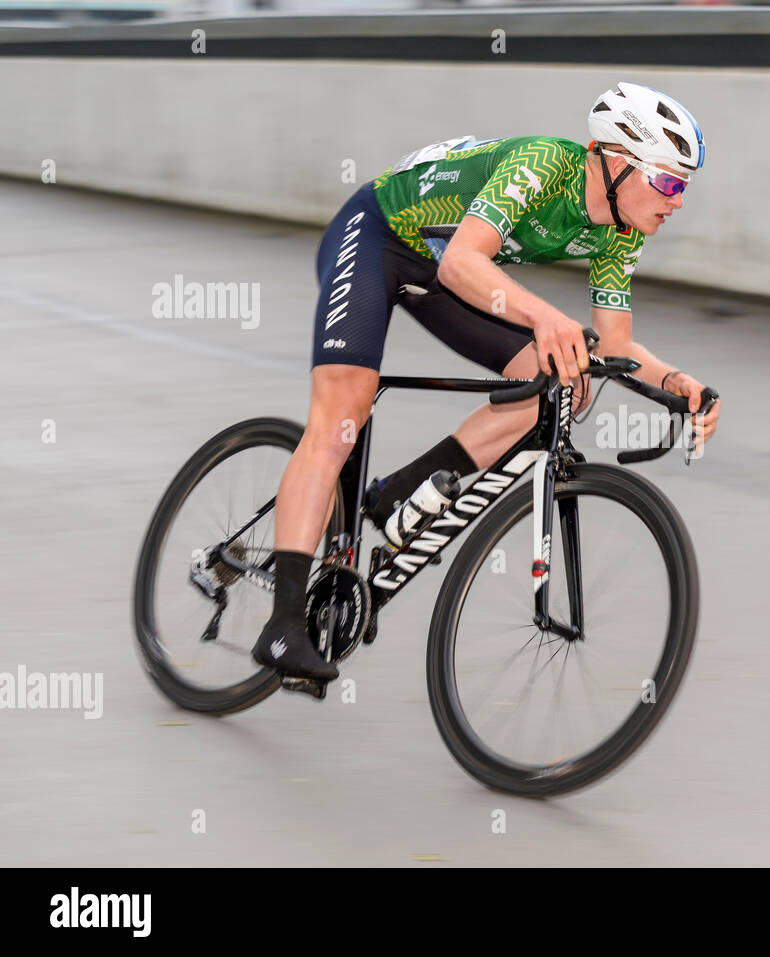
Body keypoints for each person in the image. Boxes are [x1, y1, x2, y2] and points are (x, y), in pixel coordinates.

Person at [252, 81, 723, 680]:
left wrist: (678, 382)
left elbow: (619, 342)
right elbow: (462, 261)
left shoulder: (619, 230)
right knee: (343, 415)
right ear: (614, 162)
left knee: (562, 382)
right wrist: (547, 317)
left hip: (444, 266)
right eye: (668, 182)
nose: (677, 200)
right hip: (379, 235)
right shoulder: (543, 166)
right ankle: (283, 624)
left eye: (684, 185)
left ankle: (399, 492)